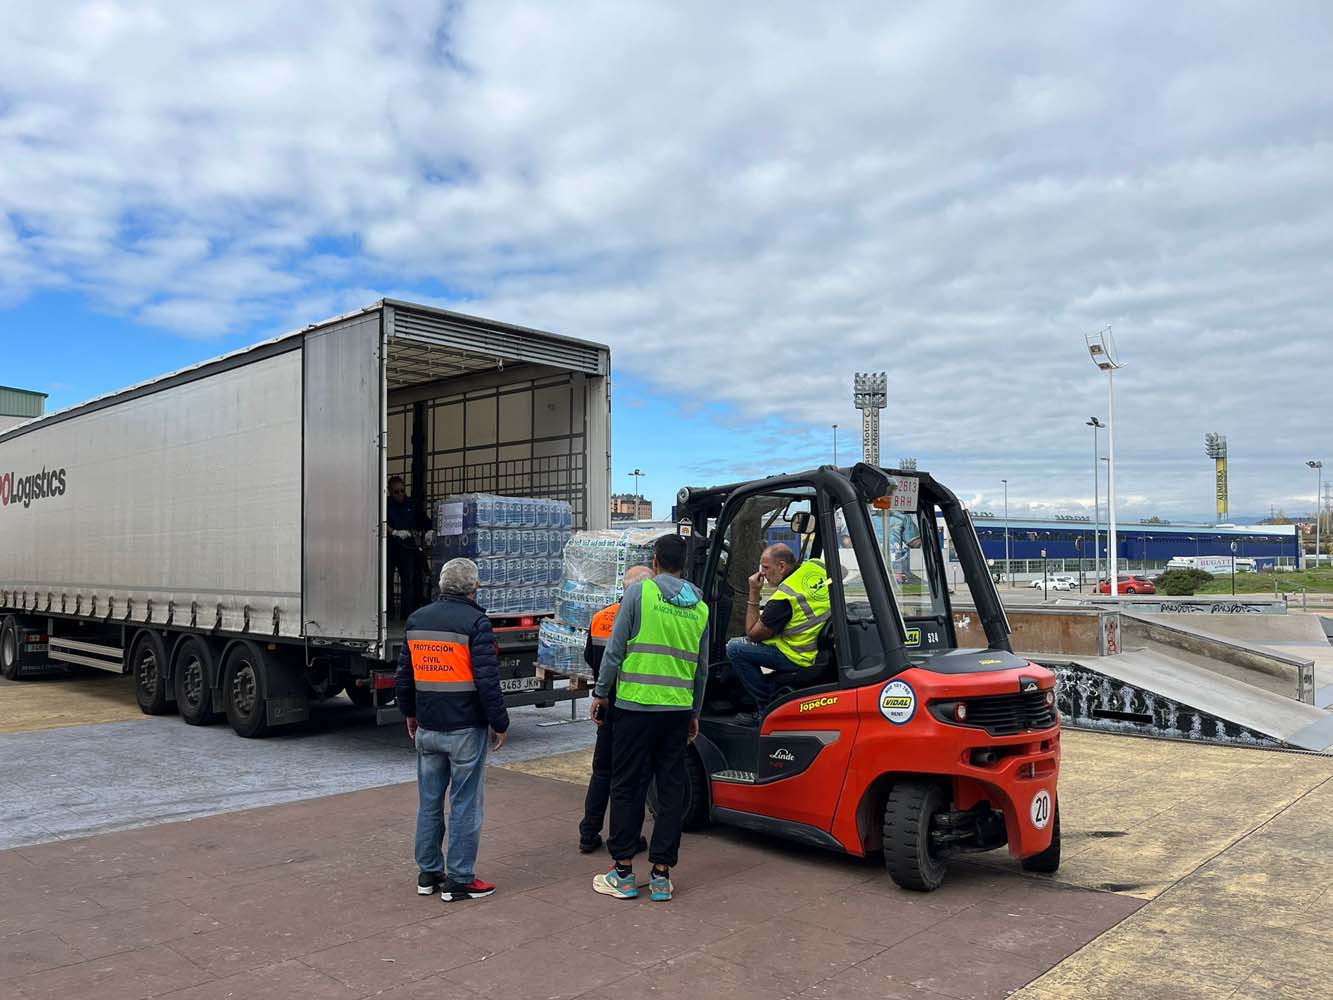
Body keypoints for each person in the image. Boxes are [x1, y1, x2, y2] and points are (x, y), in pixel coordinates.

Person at [590, 535, 708, 903]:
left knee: (627, 786)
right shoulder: (700, 605)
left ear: (655, 561)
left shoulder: (640, 595)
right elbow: (701, 669)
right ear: (684, 565)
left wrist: (600, 693)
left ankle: (623, 872)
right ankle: (661, 875)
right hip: (676, 711)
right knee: (671, 790)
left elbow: (614, 651)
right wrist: (694, 712)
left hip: (635, 708)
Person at [395, 557, 509, 902]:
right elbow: (487, 681)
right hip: (464, 729)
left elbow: (405, 675)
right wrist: (500, 723)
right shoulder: (476, 622)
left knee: (429, 803)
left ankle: (428, 873)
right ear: (474, 589)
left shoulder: (417, 620)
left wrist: (410, 714)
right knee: (465, 804)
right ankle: (460, 879)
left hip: (428, 726)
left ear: (441, 587)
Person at [578, 565, 654, 854]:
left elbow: (590, 657)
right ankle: (627, 838)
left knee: (602, 771)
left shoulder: (600, 618)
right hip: (632, 704)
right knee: (632, 777)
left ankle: (588, 832)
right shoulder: (646, 619)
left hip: (605, 703)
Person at [725, 543, 831, 718]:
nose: (763, 573)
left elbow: (753, 633)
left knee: (735, 647)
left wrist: (753, 592)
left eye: (766, 568)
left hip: (798, 656)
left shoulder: (784, 598)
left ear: (782, 566)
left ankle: (764, 707)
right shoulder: (816, 566)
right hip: (817, 648)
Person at [387, 475, 434, 620]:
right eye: (396, 492)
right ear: (389, 491)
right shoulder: (385, 505)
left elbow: (423, 520)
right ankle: (388, 614)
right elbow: (379, 521)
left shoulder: (411, 504)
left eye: (402, 490)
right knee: (387, 580)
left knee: (408, 581)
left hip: (408, 547)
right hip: (389, 547)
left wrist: (429, 530)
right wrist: (393, 532)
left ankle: (407, 614)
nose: (400, 494)